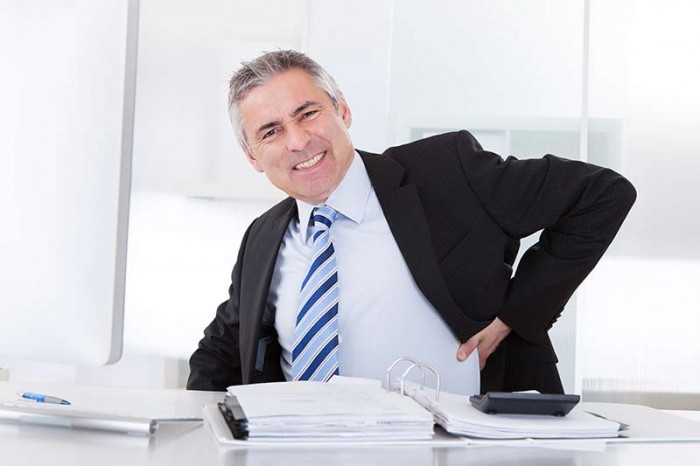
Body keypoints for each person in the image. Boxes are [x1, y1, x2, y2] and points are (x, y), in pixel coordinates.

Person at [187, 50, 636, 394]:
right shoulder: (264, 235)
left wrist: (516, 317)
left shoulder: (446, 173)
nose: (299, 140)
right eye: (271, 131)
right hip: (309, 450)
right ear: (252, 157)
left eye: (308, 113)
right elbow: (225, 345)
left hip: (470, 450)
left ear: (342, 111)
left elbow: (602, 194)